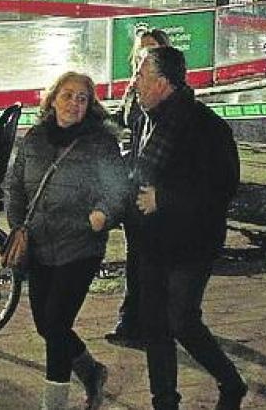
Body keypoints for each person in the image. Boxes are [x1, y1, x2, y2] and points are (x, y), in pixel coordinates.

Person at [130, 46, 246, 410]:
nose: (134, 82)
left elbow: (222, 185)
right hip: (150, 241)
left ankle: (230, 381)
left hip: (191, 243)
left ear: (163, 84)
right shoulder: (144, 119)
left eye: (141, 74)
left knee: (181, 319)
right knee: (154, 325)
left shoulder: (206, 127)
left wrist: (163, 198)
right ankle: (164, 401)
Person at [7, 71, 130, 410]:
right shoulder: (34, 138)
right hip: (39, 246)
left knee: (57, 324)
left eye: (82, 98)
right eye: (68, 96)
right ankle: (91, 372)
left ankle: (55, 403)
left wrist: (102, 215)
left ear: (90, 105)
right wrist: (17, 225)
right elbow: (15, 186)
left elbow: (118, 187)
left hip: (79, 246)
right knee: (46, 326)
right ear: (52, 99)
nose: (74, 104)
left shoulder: (99, 142)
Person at [107, 27, 170, 348]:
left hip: (150, 188)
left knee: (146, 259)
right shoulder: (133, 88)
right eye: (142, 51)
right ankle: (132, 319)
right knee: (136, 257)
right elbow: (120, 120)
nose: (145, 56)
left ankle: (142, 322)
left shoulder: (165, 96)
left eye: (152, 51)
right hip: (133, 181)